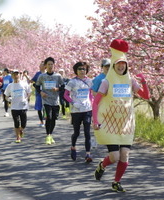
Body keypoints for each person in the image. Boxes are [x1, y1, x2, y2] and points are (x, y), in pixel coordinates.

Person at [92, 39, 150, 192]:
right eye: (118, 63)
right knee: (114, 157)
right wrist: (95, 120)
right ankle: (102, 165)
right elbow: (96, 103)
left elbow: (145, 96)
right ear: (113, 65)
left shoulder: (130, 81)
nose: (121, 66)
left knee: (124, 156)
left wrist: (143, 82)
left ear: (126, 66)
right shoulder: (106, 82)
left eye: (123, 64)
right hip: (110, 123)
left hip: (126, 124)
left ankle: (116, 182)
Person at [64, 62, 93, 163]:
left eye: (84, 69)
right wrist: (73, 102)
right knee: (76, 132)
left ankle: (88, 154)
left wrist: (91, 103)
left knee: (87, 133)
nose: (82, 71)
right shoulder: (72, 82)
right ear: (76, 70)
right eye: (80, 69)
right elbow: (66, 95)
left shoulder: (89, 81)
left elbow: (90, 94)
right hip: (76, 110)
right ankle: (73, 147)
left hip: (87, 109)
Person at [35, 57, 64, 145]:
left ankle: (51, 135)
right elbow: (36, 85)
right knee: (49, 117)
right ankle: (48, 135)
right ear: (45, 66)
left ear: (54, 65)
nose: (50, 66)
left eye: (52, 64)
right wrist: (41, 92)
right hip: (46, 100)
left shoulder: (58, 76)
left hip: (55, 101)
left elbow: (63, 87)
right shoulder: (42, 76)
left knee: (54, 119)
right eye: (48, 64)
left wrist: (57, 89)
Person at [4, 69, 31, 143]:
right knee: (16, 123)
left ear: (20, 75)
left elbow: (29, 92)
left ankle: (21, 130)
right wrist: (8, 99)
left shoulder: (24, 84)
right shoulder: (10, 86)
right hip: (14, 107)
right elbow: (6, 95)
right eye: (14, 74)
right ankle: (18, 137)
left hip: (23, 106)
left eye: (17, 74)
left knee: (23, 124)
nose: (16, 76)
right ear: (12, 76)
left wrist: (26, 98)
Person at [91, 58, 111, 148]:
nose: (108, 68)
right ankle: (95, 139)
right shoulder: (98, 79)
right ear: (102, 67)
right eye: (106, 66)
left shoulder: (114, 77)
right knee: (100, 125)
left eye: (110, 66)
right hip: (101, 105)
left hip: (111, 106)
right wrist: (102, 95)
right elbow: (93, 92)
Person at [29, 61, 46, 127]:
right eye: (39, 65)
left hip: (46, 93)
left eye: (41, 65)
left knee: (46, 107)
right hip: (39, 93)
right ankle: (41, 121)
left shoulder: (47, 74)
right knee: (39, 108)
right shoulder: (37, 74)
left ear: (45, 66)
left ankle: (45, 118)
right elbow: (32, 81)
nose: (40, 66)